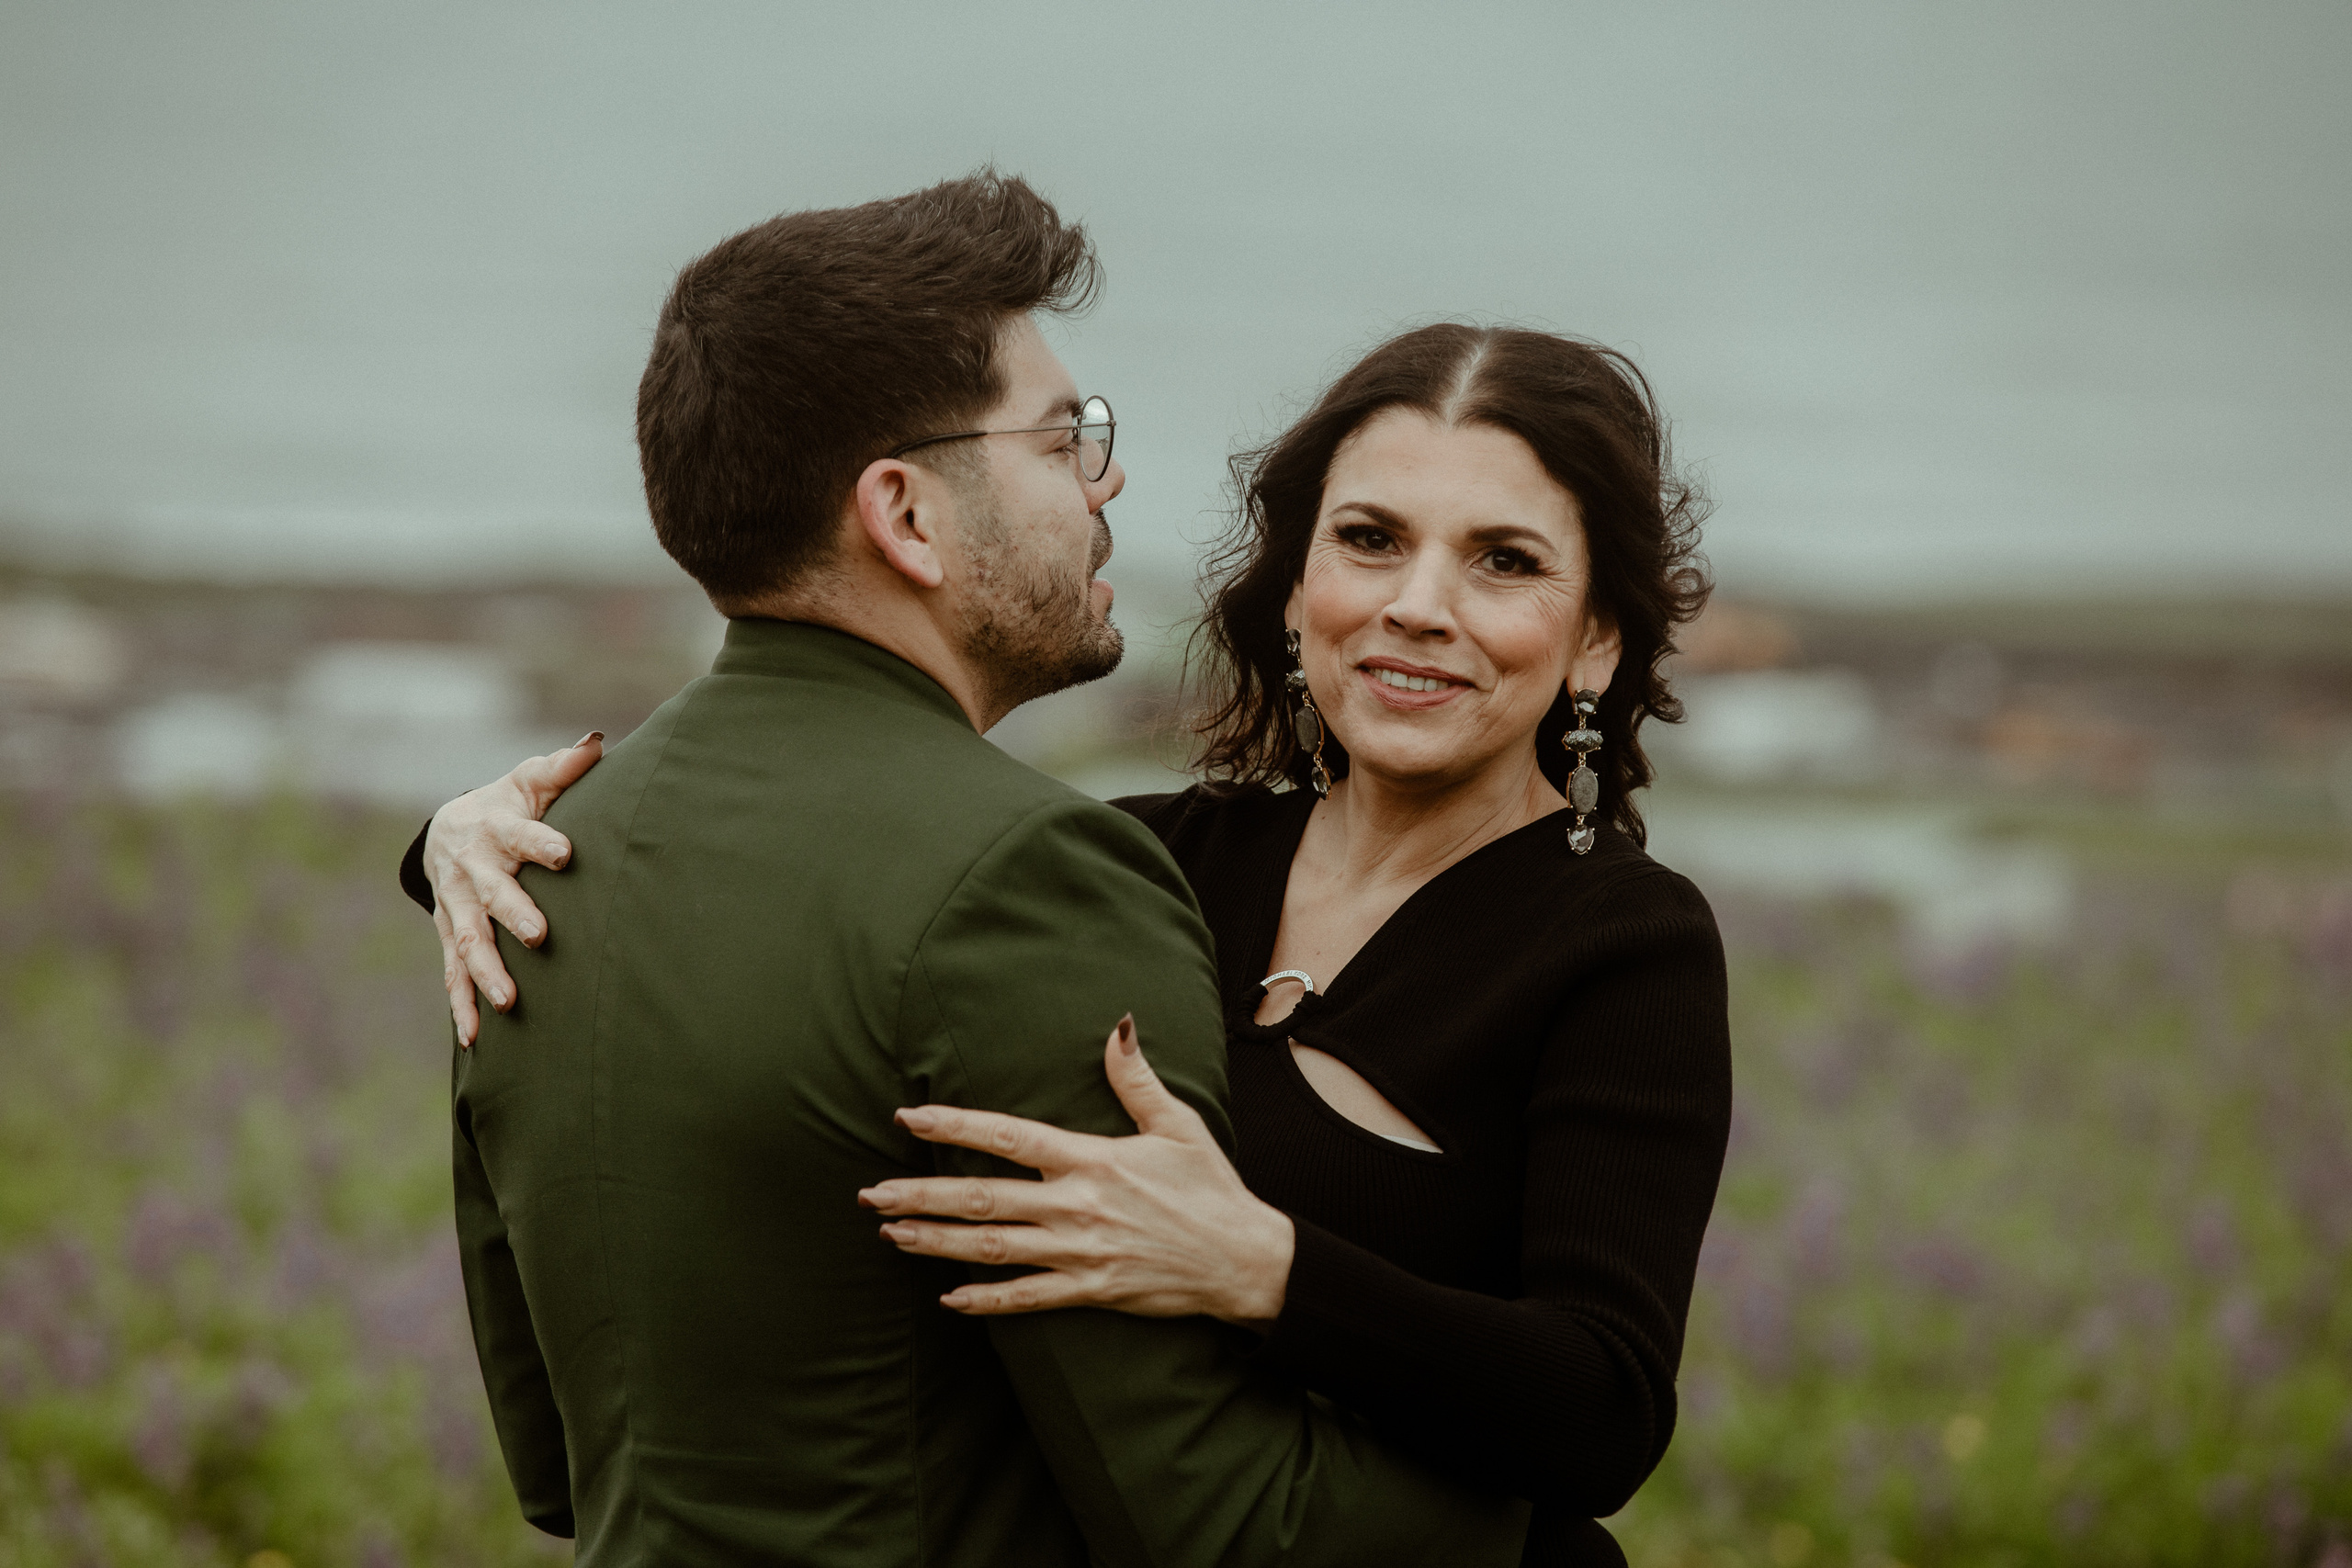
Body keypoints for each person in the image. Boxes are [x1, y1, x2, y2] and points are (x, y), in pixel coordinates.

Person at [421, 244, 1735, 1568]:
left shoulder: (1625, 943)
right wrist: (465, 842)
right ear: (1296, 588)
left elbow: (1603, 1409)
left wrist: (1268, 1270)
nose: (1418, 606)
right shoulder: (1127, 862)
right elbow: (847, 871)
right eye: (1371, 540)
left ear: (1599, 638)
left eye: (1503, 562)